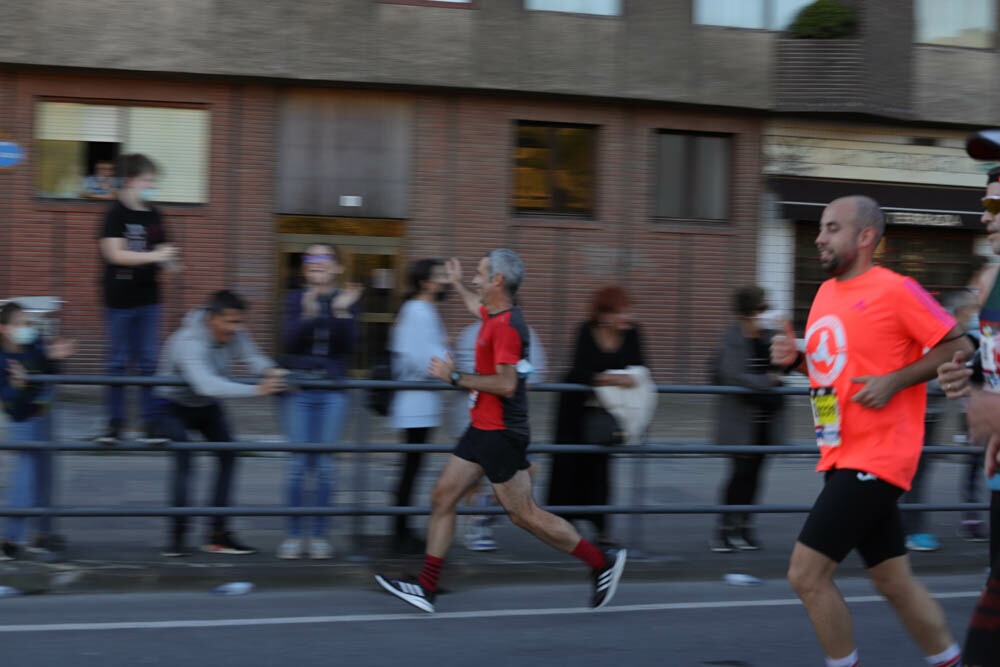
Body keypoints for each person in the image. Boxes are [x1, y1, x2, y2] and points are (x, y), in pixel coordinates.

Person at [771, 195, 969, 667]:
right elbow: (831, 372)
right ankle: (949, 660)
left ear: (864, 238)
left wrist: (894, 381)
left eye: (831, 228)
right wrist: (796, 360)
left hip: (877, 456)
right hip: (839, 452)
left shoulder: (897, 289)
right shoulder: (824, 294)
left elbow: (957, 344)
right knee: (893, 582)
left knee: (806, 574)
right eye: (820, 227)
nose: (819, 237)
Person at [375, 250, 627, 613]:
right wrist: (459, 281)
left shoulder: (508, 326)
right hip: (480, 427)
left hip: (500, 433)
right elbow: (474, 303)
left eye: (480, 273)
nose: (476, 279)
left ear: (496, 281)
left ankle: (601, 561)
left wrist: (455, 377)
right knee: (443, 496)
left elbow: (508, 384)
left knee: (524, 514)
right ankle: (426, 588)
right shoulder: (492, 314)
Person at [154, 290, 287, 557]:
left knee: (229, 454)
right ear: (212, 319)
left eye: (239, 322)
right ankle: (177, 538)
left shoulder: (235, 332)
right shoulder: (189, 341)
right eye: (230, 322)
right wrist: (255, 391)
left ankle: (218, 534)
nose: (236, 329)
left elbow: (254, 358)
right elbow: (206, 384)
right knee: (185, 458)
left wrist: (271, 371)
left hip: (205, 406)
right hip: (171, 406)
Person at [937, 168, 1000, 665]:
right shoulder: (995, 279)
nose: (985, 216)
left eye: (996, 206)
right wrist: (971, 378)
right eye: (986, 203)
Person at [277, 244, 362, 560]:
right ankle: (294, 534)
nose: (316, 263)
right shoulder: (294, 299)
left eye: (323, 258)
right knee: (299, 465)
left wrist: (340, 312)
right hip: (299, 389)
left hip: (332, 391)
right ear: (304, 268)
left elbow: (350, 346)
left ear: (337, 267)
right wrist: (310, 312)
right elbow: (288, 342)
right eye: (310, 258)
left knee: (325, 466)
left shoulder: (348, 300)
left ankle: (318, 535)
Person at [547, 285, 644, 549]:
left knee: (600, 466)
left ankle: (601, 528)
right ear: (604, 314)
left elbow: (639, 369)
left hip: (607, 411)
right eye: (623, 311)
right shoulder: (585, 330)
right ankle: (565, 527)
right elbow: (578, 371)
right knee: (569, 463)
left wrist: (606, 378)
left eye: (629, 310)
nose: (629, 316)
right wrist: (612, 377)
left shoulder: (634, 334)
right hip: (575, 407)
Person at [95, 153, 180, 445]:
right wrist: (156, 256)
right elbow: (114, 254)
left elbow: (166, 248)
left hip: (149, 298)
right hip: (119, 299)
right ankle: (115, 425)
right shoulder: (115, 214)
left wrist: (170, 262)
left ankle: (151, 423)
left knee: (148, 362)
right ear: (130, 181)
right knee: (118, 362)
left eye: (154, 181)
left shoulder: (154, 214)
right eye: (148, 180)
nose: (152, 186)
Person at [453, 317, 548, 552]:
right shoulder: (473, 332)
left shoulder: (525, 332)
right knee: (470, 478)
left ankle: (484, 511)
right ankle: (478, 525)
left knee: (527, 469)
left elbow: (534, 374)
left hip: (507, 421)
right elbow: (463, 374)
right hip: (473, 415)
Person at [708, 285, 786, 553]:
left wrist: (776, 371)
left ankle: (745, 527)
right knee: (739, 475)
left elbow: (781, 367)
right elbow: (731, 374)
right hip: (740, 420)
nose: (764, 313)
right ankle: (724, 531)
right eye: (760, 309)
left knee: (755, 476)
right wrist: (767, 381)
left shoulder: (769, 337)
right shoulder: (731, 337)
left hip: (766, 419)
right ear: (746, 312)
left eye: (766, 308)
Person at [0, 302, 74, 560]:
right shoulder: (3, 359)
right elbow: (10, 402)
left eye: (28, 323)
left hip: (44, 416)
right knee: (26, 474)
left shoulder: (34, 345)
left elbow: (49, 371)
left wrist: (56, 357)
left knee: (45, 474)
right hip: (24, 420)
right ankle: (12, 538)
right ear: (5, 329)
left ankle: (41, 533)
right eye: (20, 323)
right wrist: (19, 385)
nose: (26, 328)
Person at [387, 258, 450, 555]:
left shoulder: (423, 310)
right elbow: (417, 357)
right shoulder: (417, 311)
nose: (444, 280)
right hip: (415, 401)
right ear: (425, 282)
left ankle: (402, 527)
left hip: (422, 400)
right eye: (439, 276)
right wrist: (444, 360)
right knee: (410, 467)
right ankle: (400, 530)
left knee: (413, 466)